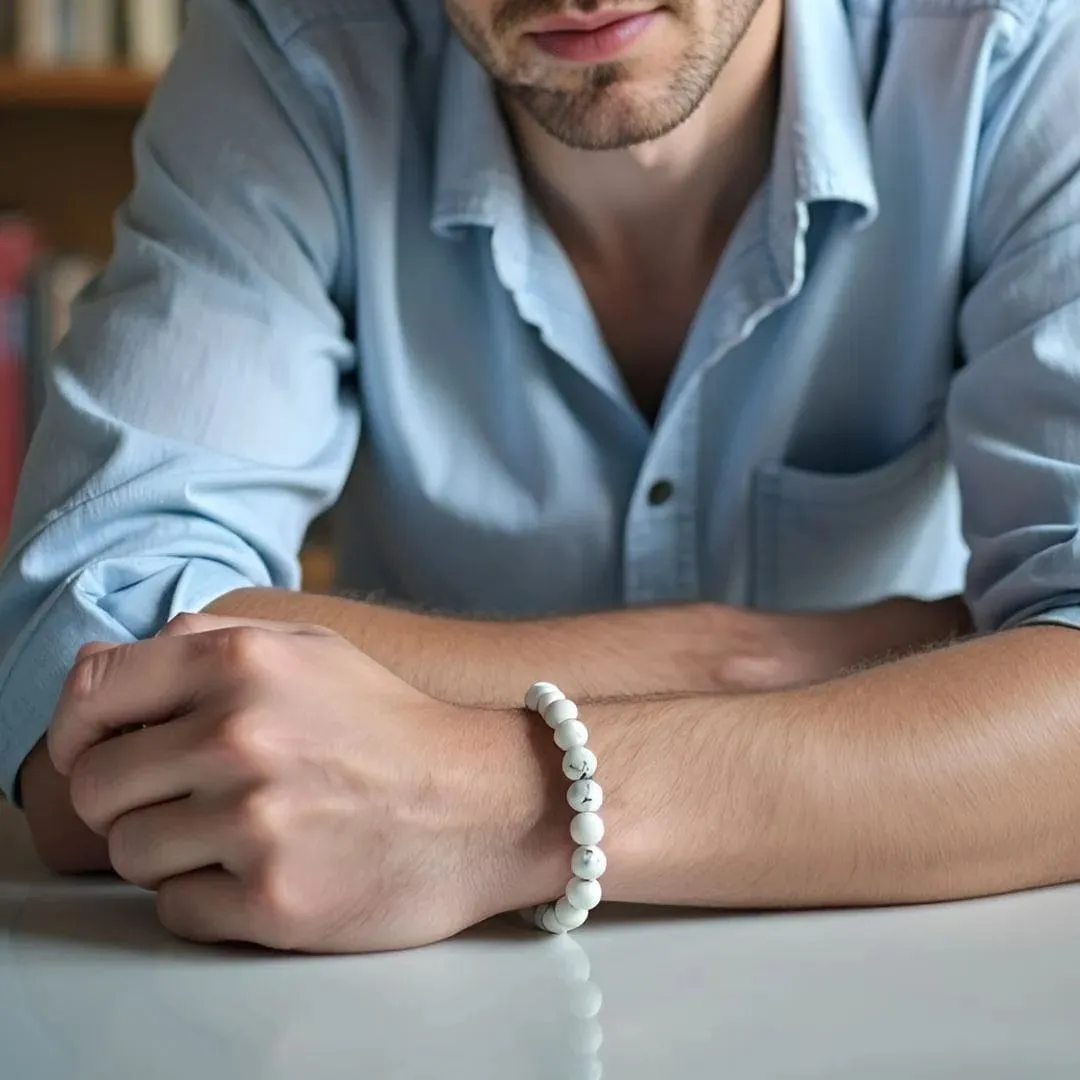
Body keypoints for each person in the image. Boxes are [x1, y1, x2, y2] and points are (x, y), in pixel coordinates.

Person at [1, 0, 1079, 952]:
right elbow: (85, 692)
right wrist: (758, 659)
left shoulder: (1018, 48)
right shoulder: (300, 48)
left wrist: (500, 798)